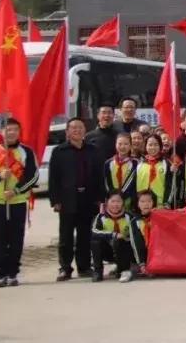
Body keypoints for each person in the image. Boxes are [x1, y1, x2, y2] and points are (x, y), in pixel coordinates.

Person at [0, 118, 39, 288]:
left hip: (17, 201)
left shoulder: (26, 152)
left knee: (16, 239)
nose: (11, 133)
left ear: (19, 132)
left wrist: (16, 190)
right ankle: (0, 273)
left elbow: (33, 177)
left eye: (15, 129)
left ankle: (13, 273)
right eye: (8, 129)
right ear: (2, 132)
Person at [49, 117, 103, 281]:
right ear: (67, 132)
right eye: (73, 128)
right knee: (65, 236)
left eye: (80, 128)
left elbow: (99, 176)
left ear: (85, 131)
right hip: (67, 199)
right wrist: (55, 200)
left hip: (88, 198)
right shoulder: (59, 151)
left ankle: (84, 266)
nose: (77, 131)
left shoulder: (93, 150)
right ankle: (65, 268)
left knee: (85, 235)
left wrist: (100, 198)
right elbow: (53, 178)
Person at [90, 191, 137, 283]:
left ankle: (122, 270)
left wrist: (125, 237)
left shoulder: (130, 217)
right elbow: (94, 232)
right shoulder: (100, 217)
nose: (115, 204)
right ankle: (98, 271)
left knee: (122, 241)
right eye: (113, 201)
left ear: (123, 202)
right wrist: (113, 235)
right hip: (108, 250)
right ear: (107, 202)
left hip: (125, 250)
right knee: (95, 241)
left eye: (118, 201)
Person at [103, 132, 137, 211]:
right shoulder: (108, 163)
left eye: (126, 144)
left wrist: (122, 196)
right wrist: (112, 196)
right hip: (112, 200)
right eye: (120, 144)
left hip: (128, 199)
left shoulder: (135, 163)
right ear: (115, 145)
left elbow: (132, 182)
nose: (122, 147)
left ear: (131, 146)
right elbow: (106, 182)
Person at [130, 191, 155, 275]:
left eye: (149, 201)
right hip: (142, 252)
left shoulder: (159, 217)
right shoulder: (135, 221)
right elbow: (136, 243)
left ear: (153, 202)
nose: (146, 204)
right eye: (142, 201)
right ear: (137, 204)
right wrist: (142, 264)